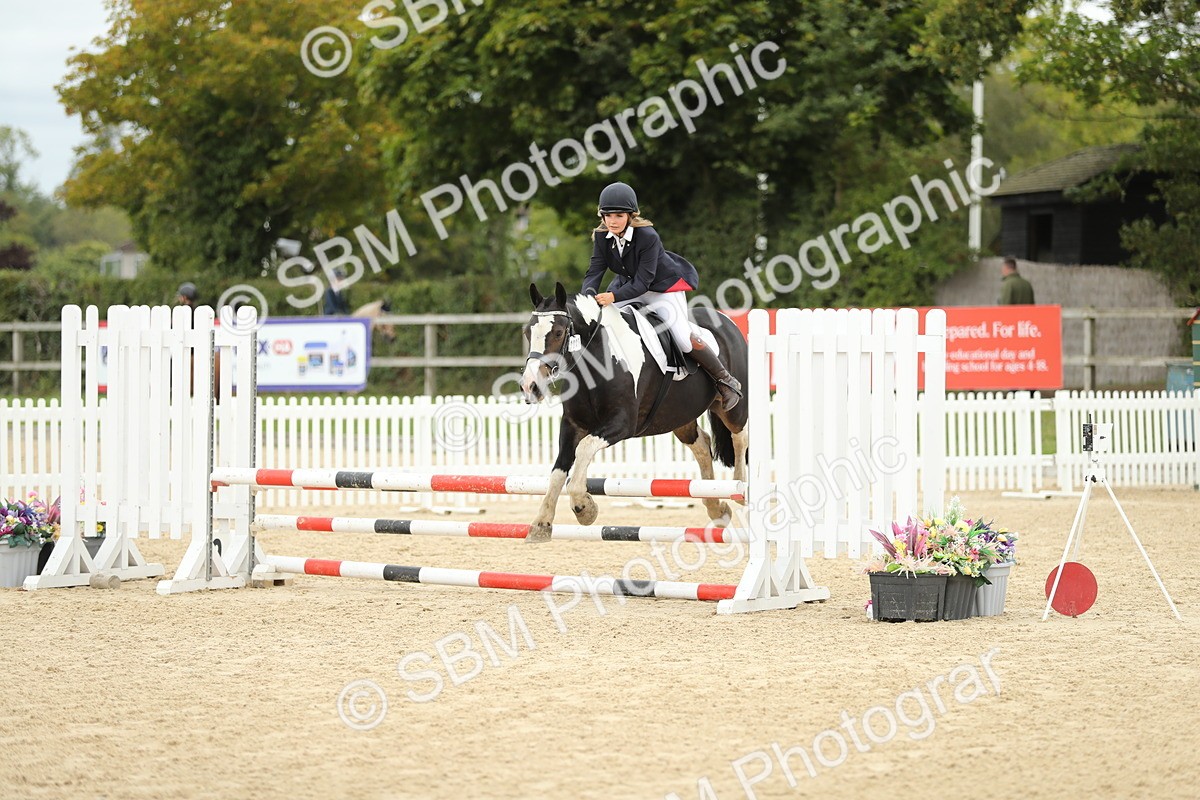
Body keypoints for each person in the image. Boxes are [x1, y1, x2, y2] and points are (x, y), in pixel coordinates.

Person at [581, 181, 742, 409]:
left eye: (618, 215)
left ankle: (726, 380)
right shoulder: (601, 237)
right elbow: (595, 271)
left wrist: (613, 297)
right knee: (604, 322)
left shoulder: (647, 236)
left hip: (661, 288)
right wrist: (587, 298)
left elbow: (644, 282)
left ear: (630, 215)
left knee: (681, 335)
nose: (612, 221)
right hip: (627, 286)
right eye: (607, 215)